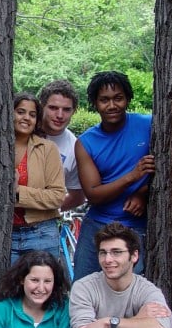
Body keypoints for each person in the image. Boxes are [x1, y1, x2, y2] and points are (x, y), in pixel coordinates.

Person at [73, 71, 153, 280]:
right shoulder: (86, 142)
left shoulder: (149, 125)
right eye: (104, 100)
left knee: (128, 293)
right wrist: (132, 177)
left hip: (136, 226)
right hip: (97, 224)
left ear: (127, 99)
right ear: (95, 103)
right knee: (83, 289)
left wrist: (143, 193)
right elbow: (94, 194)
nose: (112, 106)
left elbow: (168, 171)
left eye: (118, 98)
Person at [12, 93, 66, 263]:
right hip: (4, 235)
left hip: (41, 233)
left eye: (32, 114)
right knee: (4, 289)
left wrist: (18, 192)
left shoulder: (48, 149)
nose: (26, 118)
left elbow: (57, 196)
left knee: (43, 288)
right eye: (20, 112)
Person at [39, 80, 86, 210]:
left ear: (74, 111)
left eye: (66, 109)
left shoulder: (75, 147)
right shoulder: (23, 132)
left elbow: (77, 197)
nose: (60, 115)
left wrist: (47, 211)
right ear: (42, 106)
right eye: (53, 108)